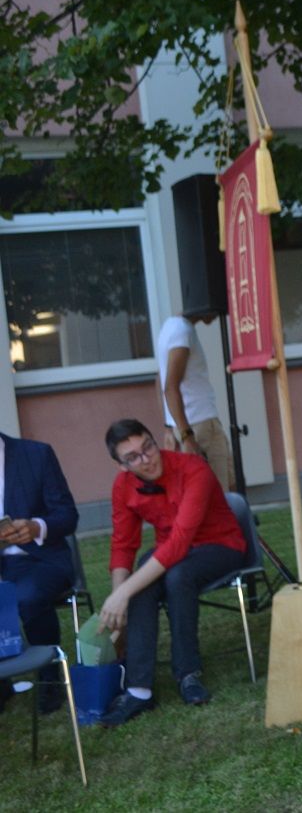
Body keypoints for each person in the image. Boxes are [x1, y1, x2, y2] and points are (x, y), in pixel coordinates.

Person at [96, 419, 246, 727]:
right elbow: (123, 544)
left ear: (156, 441)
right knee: (144, 582)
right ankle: (138, 690)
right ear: (121, 465)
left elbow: (180, 541)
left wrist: (122, 594)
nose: (146, 459)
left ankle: (188, 674)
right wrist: (118, 601)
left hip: (220, 545)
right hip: (172, 553)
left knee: (178, 576)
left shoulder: (193, 468)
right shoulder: (123, 485)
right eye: (133, 457)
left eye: (148, 447)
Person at [0, 432, 78, 715]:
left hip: (40, 559)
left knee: (27, 596)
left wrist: (36, 527)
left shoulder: (36, 454)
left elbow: (67, 515)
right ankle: (2, 683)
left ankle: (49, 676)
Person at [156, 311, 234, 490]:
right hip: (198, 426)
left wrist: (169, 426)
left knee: (229, 486)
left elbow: (160, 379)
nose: (217, 313)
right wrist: (187, 437)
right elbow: (170, 386)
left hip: (196, 424)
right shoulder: (181, 331)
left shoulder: (171, 326)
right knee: (215, 493)